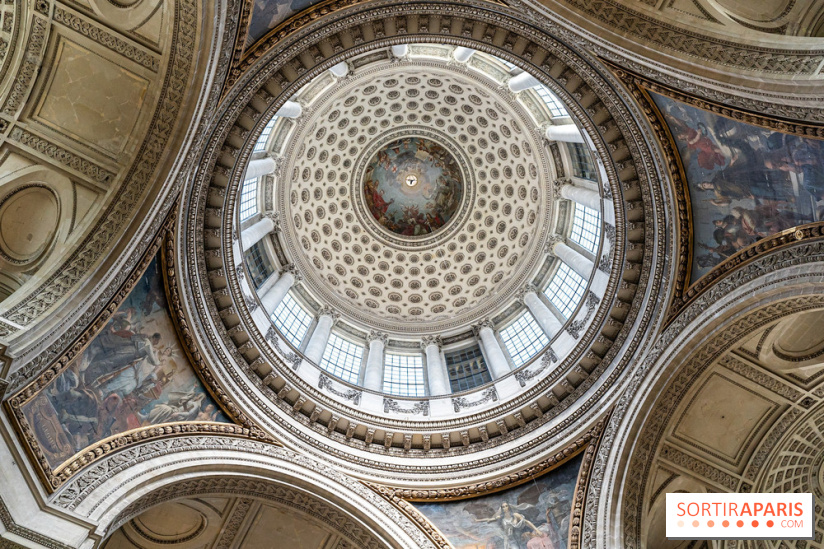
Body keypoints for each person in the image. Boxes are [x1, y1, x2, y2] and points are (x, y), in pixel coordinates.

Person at [475, 502, 545, 549]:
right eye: (503, 507)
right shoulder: (501, 517)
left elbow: (527, 522)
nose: (505, 508)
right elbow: (489, 519)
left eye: (506, 506)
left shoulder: (515, 515)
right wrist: (477, 520)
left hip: (519, 538)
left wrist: (537, 530)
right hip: (509, 540)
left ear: (509, 507)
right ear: (502, 508)